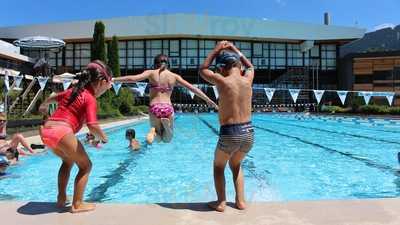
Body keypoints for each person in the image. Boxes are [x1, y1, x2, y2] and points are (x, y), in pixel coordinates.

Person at [38, 60, 112, 213]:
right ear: (101, 82)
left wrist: (46, 112)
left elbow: (47, 102)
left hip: (47, 131)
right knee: (86, 166)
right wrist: (104, 137)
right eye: (107, 85)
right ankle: (77, 204)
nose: (107, 88)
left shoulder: (72, 91)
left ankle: (61, 198)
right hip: (62, 131)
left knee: (68, 161)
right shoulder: (89, 97)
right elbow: (92, 125)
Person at [199, 41, 255, 212]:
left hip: (230, 133)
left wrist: (217, 49)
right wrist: (234, 49)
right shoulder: (248, 79)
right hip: (249, 133)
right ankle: (241, 201)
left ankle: (221, 202)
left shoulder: (222, 81)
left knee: (218, 167)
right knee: (236, 165)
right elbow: (250, 66)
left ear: (222, 67)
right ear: (239, 65)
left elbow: (202, 70)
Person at [113, 54, 218, 144]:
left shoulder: (151, 73)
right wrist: (208, 99)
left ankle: (153, 131)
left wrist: (114, 79)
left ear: (155, 64)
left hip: (154, 107)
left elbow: (133, 78)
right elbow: (193, 88)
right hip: (168, 107)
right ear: (168, 64)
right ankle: (167, 127)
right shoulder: (174, 76)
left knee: (157, 139)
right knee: (168, 139)